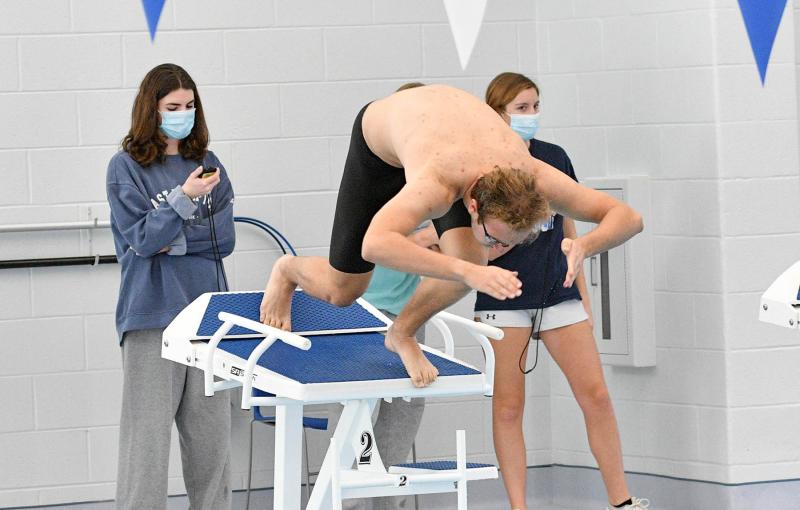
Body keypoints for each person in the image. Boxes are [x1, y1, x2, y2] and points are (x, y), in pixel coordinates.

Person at [260, 84, 643, 389]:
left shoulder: (532, 172)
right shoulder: (439, 183)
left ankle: (402, 333)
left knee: (471, 259)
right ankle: (288, 271)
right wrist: (467, 273)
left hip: (455, 137)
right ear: (473, 206)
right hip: (381, 141)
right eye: (496, 238)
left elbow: (628, 217)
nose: (500, 250)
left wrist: (585, 244)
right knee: (344, 291)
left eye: (512, 241)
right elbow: (375, 243)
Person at [475, 72, 649, 510]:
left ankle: (622, 500)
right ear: (496, 113)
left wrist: (583, 297)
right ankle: (519, 505)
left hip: (558, 293)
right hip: (503, 300)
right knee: (509, 408)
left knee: (597, 396)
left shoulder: (553, 158)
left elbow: (569, 225)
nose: (530, 116)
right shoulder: (479, 166)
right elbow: (470, 242)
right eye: (521, 108)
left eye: (535, 106)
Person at [107, 63, 236, 510]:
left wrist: (171, 241)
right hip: (151, 318)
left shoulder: (209, 164)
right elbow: (140, 239)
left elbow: (225, 240)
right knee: (146, 445)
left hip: (208, 322)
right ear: (152, 110)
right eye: (172, 107)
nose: (183, 113)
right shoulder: (125, 168)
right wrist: (183, 200)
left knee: (212, 447)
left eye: (189, 105)